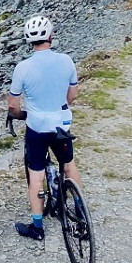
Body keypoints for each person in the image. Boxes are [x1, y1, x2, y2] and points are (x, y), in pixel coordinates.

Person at [7, 15, 82, 241]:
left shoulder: (23, 67)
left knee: (36, 175)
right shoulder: (66, 61)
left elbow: (13, 104)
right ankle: (80, 210)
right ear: (50, 36)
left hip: (37, 126)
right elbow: (73, 94)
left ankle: (37, 227)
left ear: (29, 40)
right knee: (68, 165)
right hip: (61, 123)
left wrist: (20, 114)